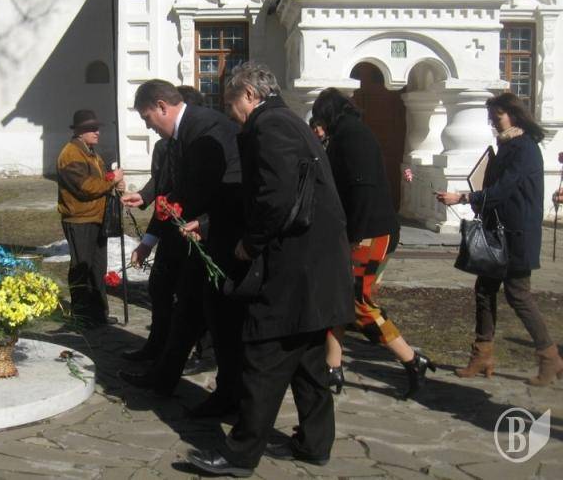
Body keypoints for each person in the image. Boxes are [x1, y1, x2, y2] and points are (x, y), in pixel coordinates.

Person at [186, 62, 354, 476]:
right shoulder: (289, 120)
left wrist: (250, 243)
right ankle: (315, 443)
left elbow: (274, 197)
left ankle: (240, 454)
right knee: (308, 358)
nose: (230, 114)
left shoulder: (270, 125)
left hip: (294, 267)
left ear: (248, 94)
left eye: (231, 104)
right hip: (316, 266)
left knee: (263, 356)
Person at [119, 79, 245, 417]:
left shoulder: (205, 128)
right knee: (186, 311)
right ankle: (162, 380)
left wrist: (203, 222)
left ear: (162, 106)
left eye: (147, 118)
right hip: (197, 237)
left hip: (218, 240)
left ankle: (229, 397)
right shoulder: (184, 133)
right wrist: (160, 202)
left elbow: (230, 184)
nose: (148, 126)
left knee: (220, 323)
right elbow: (179, 186)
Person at [311, 88, 435, 398]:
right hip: (362, 231)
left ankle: (411, 359)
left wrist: (353, 236)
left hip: (370, 232)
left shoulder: (352, 135)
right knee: (339, 296)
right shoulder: (346, 134)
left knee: (357, 301)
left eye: (320, 118)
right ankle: (332, 365)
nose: (319, 125)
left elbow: (362, 189)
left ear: (329, 114)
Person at [436, 93, 563, 386]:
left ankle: (549, 356)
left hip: (517, 235)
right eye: (491, 116)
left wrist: (464, 197)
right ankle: (482, 354)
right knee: (485, 289)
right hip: (498, 231)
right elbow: (494, 186)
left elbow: (504, 189)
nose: (494, 121)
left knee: (518, 295)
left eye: (498, 116)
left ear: (514, 115)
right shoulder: (507, 146)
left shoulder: (524, 148)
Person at [121, 86, 204, 363]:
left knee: (194, 296)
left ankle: (201, 352)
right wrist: (145, 196)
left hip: (196, 232)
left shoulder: (201, 143)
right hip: (169, 230)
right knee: (159, 288)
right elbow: (161, 185)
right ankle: (157, 346)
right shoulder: (163, 146)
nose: (151, 127)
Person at [57, 109, 124, 327]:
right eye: (91, 129)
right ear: (79, 131)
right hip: (79, 219)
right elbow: (86, 187)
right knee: (82, 268)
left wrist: (114, 182)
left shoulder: (91, 152)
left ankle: (99, 314)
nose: (97, 132)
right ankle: (82, 316)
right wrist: (112, 180)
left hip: (96, 217)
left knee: (97, 268)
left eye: (97, 128)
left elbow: (101, 179)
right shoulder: (70, 154)